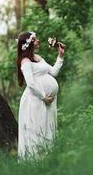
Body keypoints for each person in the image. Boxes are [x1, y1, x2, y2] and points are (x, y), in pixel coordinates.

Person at [16, 31, 65, 159]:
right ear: (30, 43)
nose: (38, 41)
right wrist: (44, 97)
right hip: (35, 101)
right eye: (35, 39)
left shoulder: (38, 58)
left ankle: (49, 158)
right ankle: (36, 160)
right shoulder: (25, 61)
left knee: (48, 127)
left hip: (46, 101)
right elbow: (31, 84)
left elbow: (53, 72)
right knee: (37, 128)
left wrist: (60, 56)